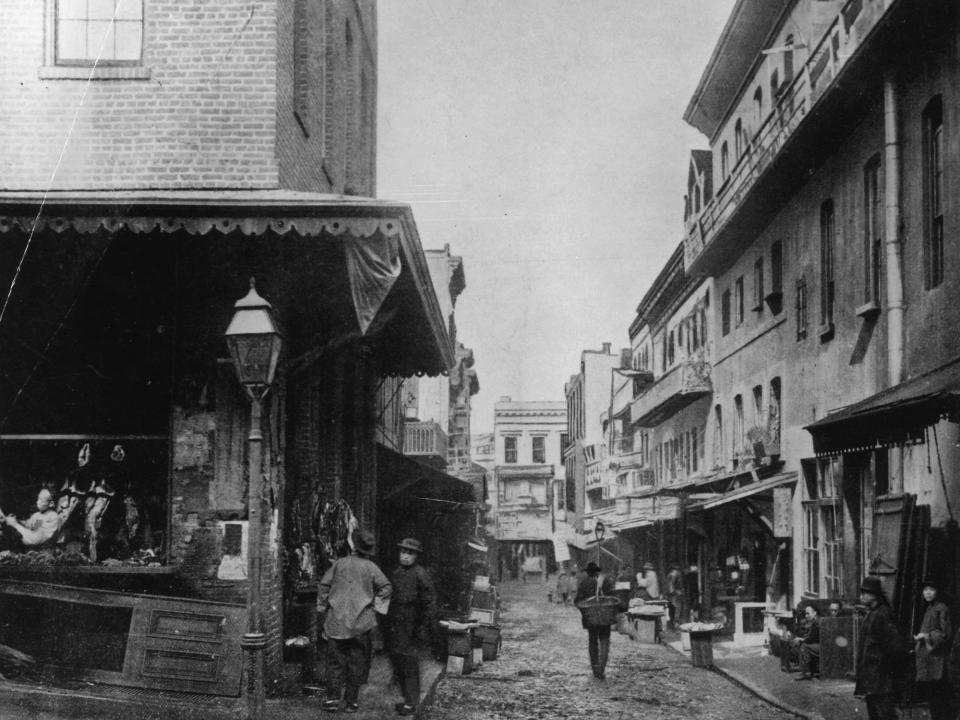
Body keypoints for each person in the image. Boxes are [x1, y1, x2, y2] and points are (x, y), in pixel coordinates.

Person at [316, 529, 392, 714]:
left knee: (335, 663)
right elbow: (386, 587)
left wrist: (322, 607)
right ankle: (351, 702)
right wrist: (375, 607)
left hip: (337, 622)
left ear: (352, 546)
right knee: (356, 663)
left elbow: (323, 586)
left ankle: (332, 699)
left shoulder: (338, 564)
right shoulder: (371, 567)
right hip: (361, 625)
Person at [384, 537, 437, 717]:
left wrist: (423, 625)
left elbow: (429, 602)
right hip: (396, 623)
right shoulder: (396, 573)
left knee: (409, 664)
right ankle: (406, 699)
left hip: (412, 624)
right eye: (403, 552)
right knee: (397, 660)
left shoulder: (420, 574)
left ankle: (411, 702)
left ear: (416, 556)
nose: (405, 556)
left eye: (410, 553)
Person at [855, 576, 907, 720]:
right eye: (862, 592)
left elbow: (896, 648)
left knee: (885, 716)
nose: (862, 596)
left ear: (875, 595)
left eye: (866, 592)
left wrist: (884, 669)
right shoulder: (871, 613)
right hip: (872, 681)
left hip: (882, 682)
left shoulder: (883, 614)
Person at [913, 578, 952, 720]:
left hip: (937, 659)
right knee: (932, 697)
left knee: (938, 697)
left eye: (931, 590)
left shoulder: (942, 608)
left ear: (937, 592)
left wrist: (926, 635)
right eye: (925, 590)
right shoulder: (929, 608)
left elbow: (945, 633)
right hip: (928, 659)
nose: (928, 593)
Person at [574, 561, 615, 679]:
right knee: (605, 640)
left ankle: (595, 668)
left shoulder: (584, 583)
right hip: (605, 617)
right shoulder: (605, 581)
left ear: (588, 573)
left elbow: (577, 602)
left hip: (591, 619)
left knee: (592, 642)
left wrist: (585, 611)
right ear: (597, 572)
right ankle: (602, 667)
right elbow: (612, 597)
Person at [792, 603, 821, 680]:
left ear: (815, 613)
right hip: (818, 644)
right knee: (801, 644)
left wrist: (800, 639)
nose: (806, 616)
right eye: (805, 614)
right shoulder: (815, 621)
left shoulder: (816, 623)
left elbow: (809, 639)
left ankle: (805, 673)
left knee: (804, 646)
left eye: (808, 614)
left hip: (821, 646)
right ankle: (806, 669)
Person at [664, 565, 683, 630]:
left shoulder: (670, 574)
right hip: (674, 595)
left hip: (670, 595)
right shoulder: (675, 574)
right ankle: (675, 626)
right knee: (676, 610)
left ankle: (672, 625)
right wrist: (675, 592)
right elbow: (670, 586)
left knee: (672, 610)